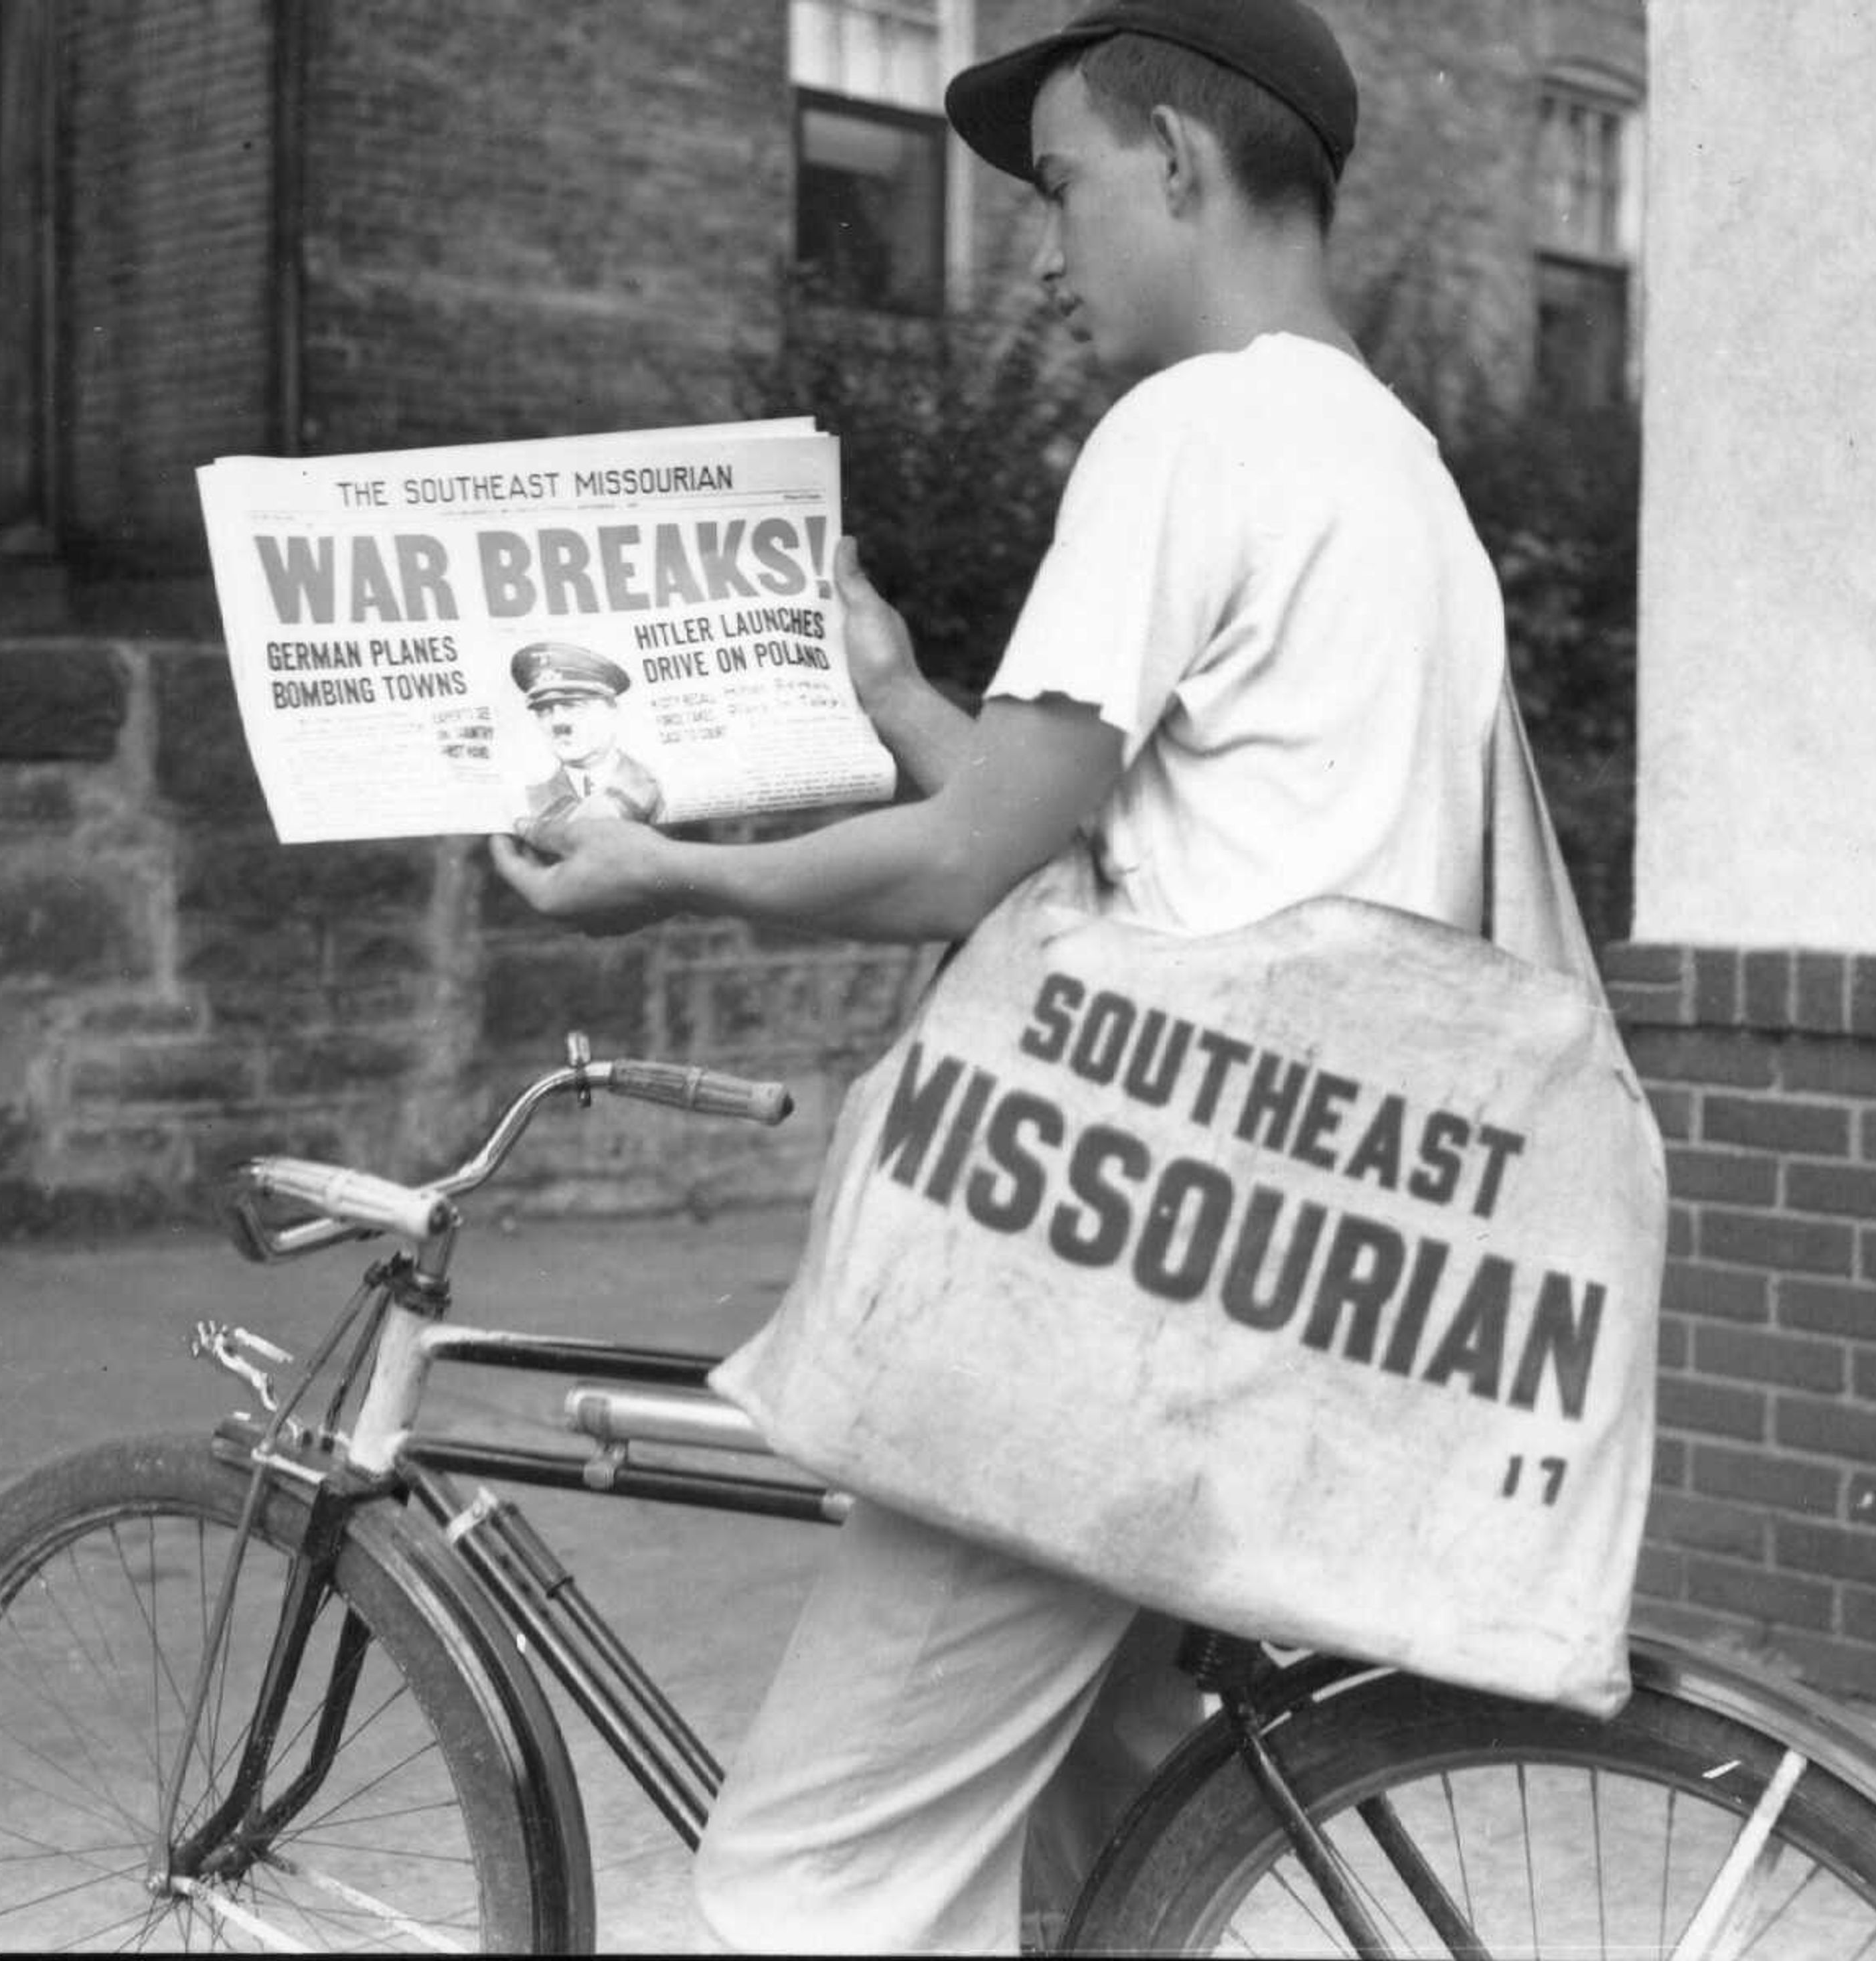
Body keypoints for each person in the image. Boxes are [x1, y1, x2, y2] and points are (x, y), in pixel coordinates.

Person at [490, 0, 1508, 1947]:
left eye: (1058, 188)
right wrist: (885, 693)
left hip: (1113, 1297)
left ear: (1180, 166)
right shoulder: (1392, 469)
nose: (1042, 255)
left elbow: (968, 863)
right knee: (1102, 1846)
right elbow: (1092, 840)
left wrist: (666, 875)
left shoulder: (1187, 429)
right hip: (1296, 1260)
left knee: (814, 1882)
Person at [506, 639, 666, 833]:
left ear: (612, 711)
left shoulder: (658, 785)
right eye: (544, 710)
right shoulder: (528, 801)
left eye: (574, 706)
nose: (558, 723)